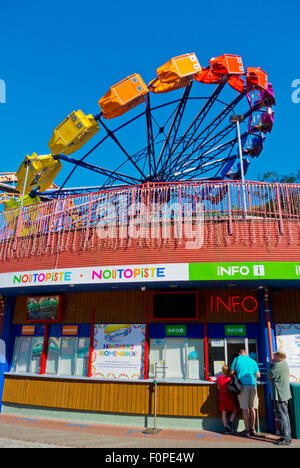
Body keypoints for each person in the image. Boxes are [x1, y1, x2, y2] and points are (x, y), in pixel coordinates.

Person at [231, 349, 261, 437]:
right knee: (252, 408)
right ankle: (253, 429)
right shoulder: (252, 361)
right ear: (246, 354)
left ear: (239, 353)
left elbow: (231, 372)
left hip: (243, 386)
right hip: (253, 385)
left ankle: (247, 430)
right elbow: (258, 375)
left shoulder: (236, 359)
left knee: (244, 408)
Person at [267, 351, 292, 446]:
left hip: (280, 394)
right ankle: (287, 436)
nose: (274, 357)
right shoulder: (284, 364)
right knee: (285, 415)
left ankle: (285, 438)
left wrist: (271, 365)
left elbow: (269, 375)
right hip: (284, 394)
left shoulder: (278, 366)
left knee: (282, 416)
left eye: (275, 356)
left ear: (280, 357)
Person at [217, 365, 237, 433]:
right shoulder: (230, 378)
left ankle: (226, 427)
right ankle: (229, 423)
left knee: (223, 413)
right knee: (234, 410)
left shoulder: (219, 377)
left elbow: (218, 388)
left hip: (221, 397)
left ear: (222, 370)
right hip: (228, 397)